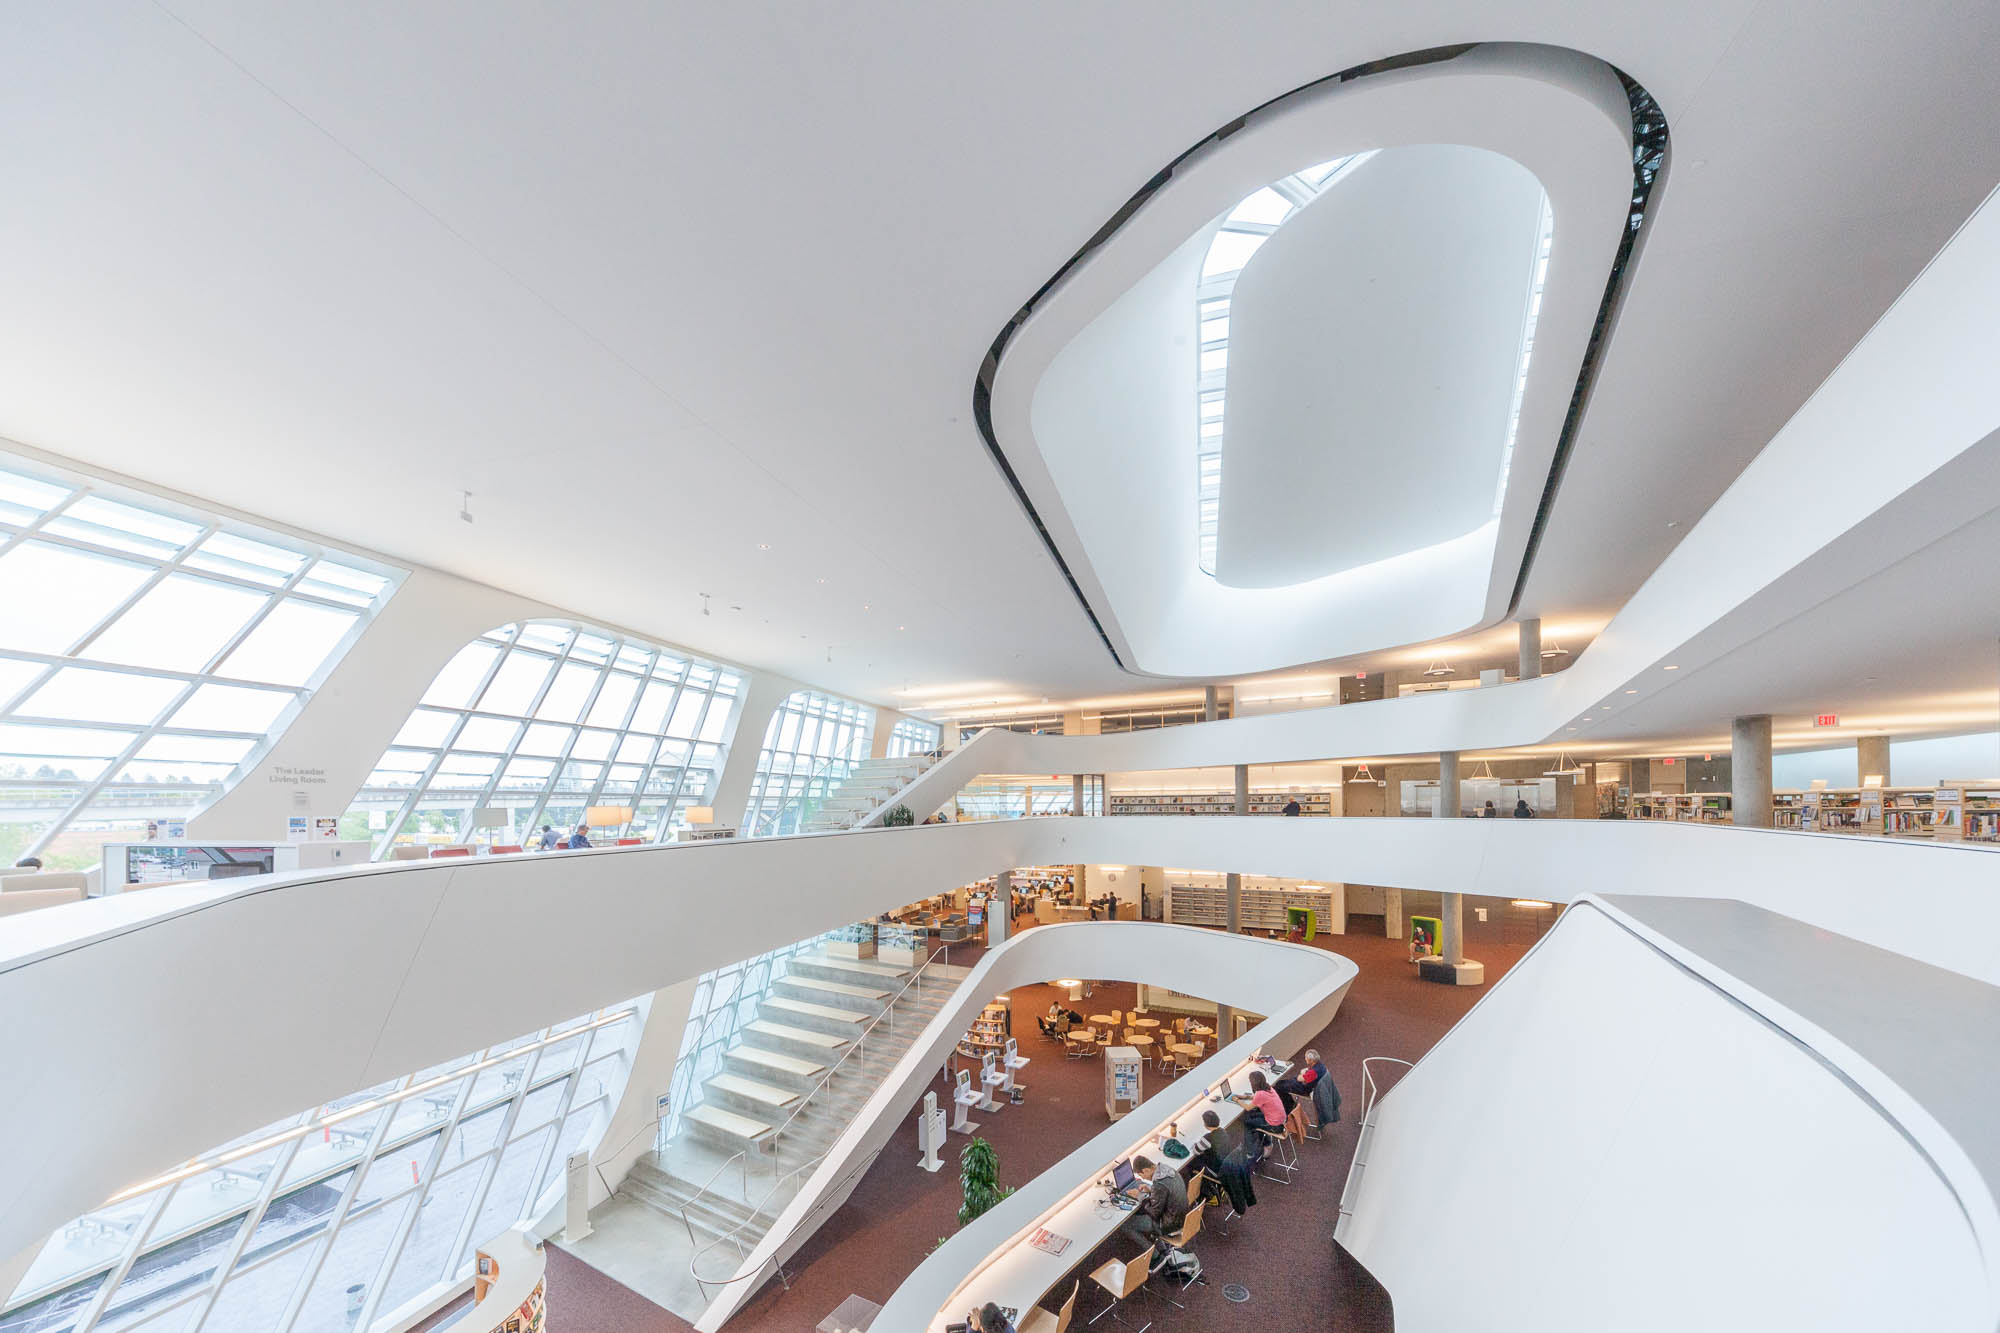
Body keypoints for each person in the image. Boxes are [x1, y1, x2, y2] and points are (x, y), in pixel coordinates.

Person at [1120, 1155, 1187, 1249]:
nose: (1142, 1178)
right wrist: (1151, 1190)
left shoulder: (1159, 1184)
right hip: (1181, 1217)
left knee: (1125, 1225)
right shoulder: (1168, 1170)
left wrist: (1139, 1196)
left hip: (1170, 1226)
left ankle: (1154, 1256)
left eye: (1141, 1175)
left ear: (1146, 1170)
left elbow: (1153, 1213)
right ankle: (1161, 1248)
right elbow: (1166, 1193)